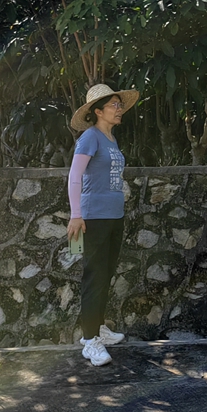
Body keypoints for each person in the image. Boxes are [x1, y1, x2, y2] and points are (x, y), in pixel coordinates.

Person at [67, 83, 140, 366]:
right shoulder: (90, 137)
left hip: (113, 216)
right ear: (98, 111)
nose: (119, 110)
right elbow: (75, 176)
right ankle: (89, 341)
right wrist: (76, 214)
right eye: (114, 105)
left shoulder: (110, 139)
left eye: (120, 105)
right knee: (94, 277)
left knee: (106, 273)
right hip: (94, 218)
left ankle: (97, 328)